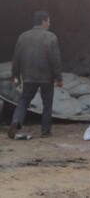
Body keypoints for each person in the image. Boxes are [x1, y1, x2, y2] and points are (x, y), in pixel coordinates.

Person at [8, 11, 63, 139]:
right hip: (46, 77)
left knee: (23, 101)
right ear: (44, 21)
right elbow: (55, 59)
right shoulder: (51, 37)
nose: (49, 24)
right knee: (47, 104)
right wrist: (58, 77)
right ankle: (45, 131)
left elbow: (17, 58)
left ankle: (16, 121)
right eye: (49, 21)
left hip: (28, 76)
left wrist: (15, 75)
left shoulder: (23, 36)